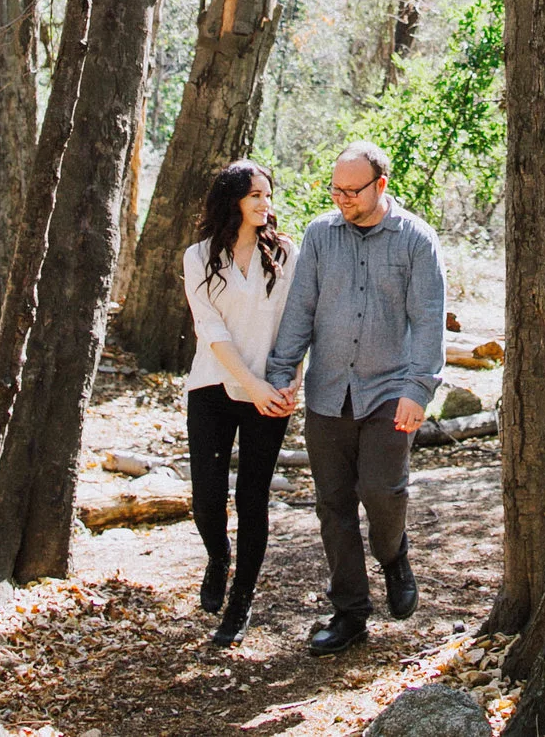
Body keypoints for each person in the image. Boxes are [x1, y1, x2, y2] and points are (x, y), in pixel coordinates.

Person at [264, 140, 445, 656]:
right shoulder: (321, 235)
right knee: (333, 504)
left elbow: (428, 319)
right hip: (328, 392)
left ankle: (394, 556)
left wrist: (419, 389)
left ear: (380, 185)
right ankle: (349, 612)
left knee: (383, 493)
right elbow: (301, 308)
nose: (342, 198)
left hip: (390, 391)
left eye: (353, 190)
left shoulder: (416, 240)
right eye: (336, 189)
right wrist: (284, 373)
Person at [181, 159, 299, 647]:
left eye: (268, 195)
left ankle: (241, 601)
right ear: (232, 200)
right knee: (208, 499)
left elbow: (296, 324)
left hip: (269, 393)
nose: (264, 204)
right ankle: (217, 556)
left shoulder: (286, 254)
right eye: (255, 196)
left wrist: (288, 381)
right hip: (213, 386)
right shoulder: (199, 256)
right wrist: (246, 383)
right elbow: (210, 329)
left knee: (253, 499)